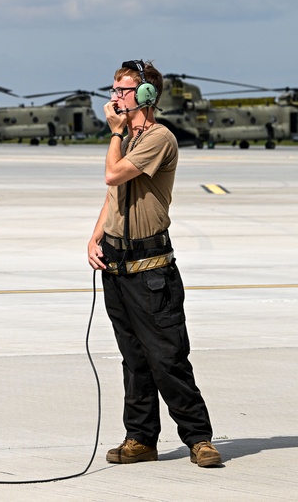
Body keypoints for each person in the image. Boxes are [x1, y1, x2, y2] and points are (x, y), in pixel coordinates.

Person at [87, 60, 222, 468]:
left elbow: (112, 175)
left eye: (123, 90)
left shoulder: (158, 138)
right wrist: (95, 236)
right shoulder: (125, 138)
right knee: (134, 359)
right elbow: (113, 196)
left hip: (151, 269)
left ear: (146, 96)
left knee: (167, 357)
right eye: (112, 89)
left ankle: (198, 437)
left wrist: (114, 133)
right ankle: (140, 439)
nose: (114, 98)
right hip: (116, 265)